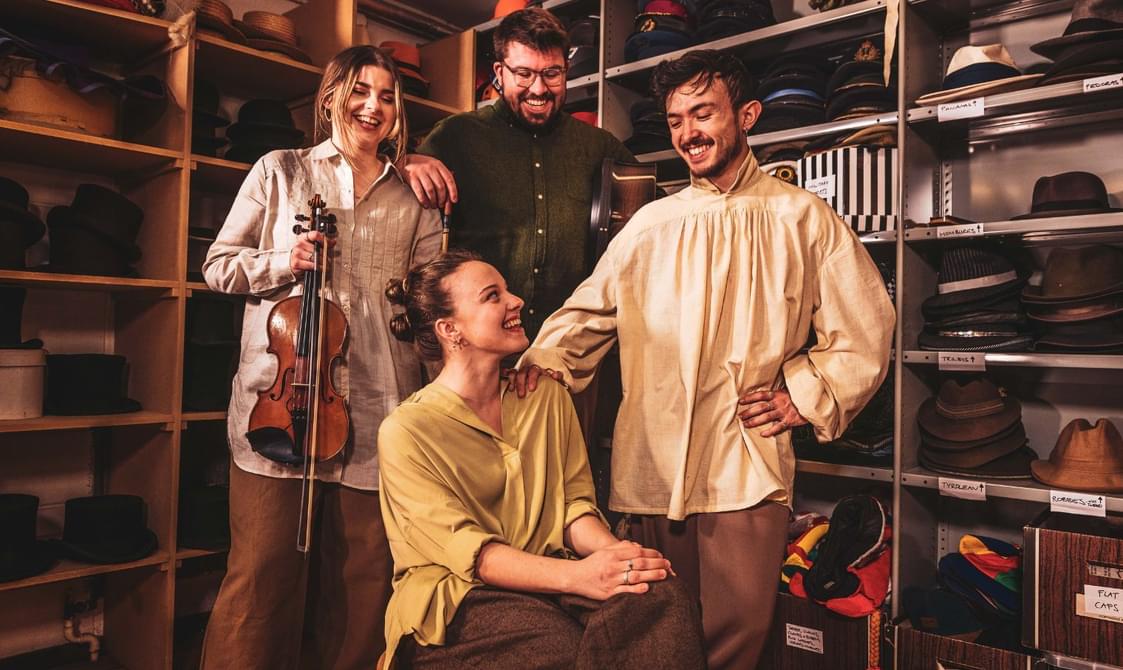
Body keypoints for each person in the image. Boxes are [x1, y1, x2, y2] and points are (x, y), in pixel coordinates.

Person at [515, 50, 895, 669]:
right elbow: (586, 314)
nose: (688, 132)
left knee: (733, 637)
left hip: (744, 466)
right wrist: (540, 364)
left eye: (703, 113)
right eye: (675, 120)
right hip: (650, 464)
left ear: (747, 115)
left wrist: (802, 395)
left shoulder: (802, 218)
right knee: (653, 636)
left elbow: (866, 326)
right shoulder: (649, 225)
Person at [200, 46, 442, 670]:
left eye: (387, 96)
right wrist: (286, 261)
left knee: (364, 582)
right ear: (331, 96)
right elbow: (218, 266)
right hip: (282, 404)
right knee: (260, 577)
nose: (373, 106)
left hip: (380, 405)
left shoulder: (415, 197)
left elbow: (429, 304)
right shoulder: (279, 171)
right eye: (360, 90)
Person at [376, 251, 706, 670]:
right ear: (449, 329)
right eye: (493, 296)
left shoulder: (545, 396)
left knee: (662, 597)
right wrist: (581, 576)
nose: (515, 301)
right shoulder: (407, 431)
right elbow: (472, 554)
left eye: (507, 291)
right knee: (557, 647)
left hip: (554, 580)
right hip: (459, 596)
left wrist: (621, 558)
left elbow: (573, 507)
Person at [398, 7, 637, 341]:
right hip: (479, 349)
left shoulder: (599, 146)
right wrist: (404, 162)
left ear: (566, 70)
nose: (538, 89)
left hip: (565, 348)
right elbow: (391, 197)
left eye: (551, 74)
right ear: (500, 71)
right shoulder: (455, 136)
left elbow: (656, 213)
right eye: (523, 74)